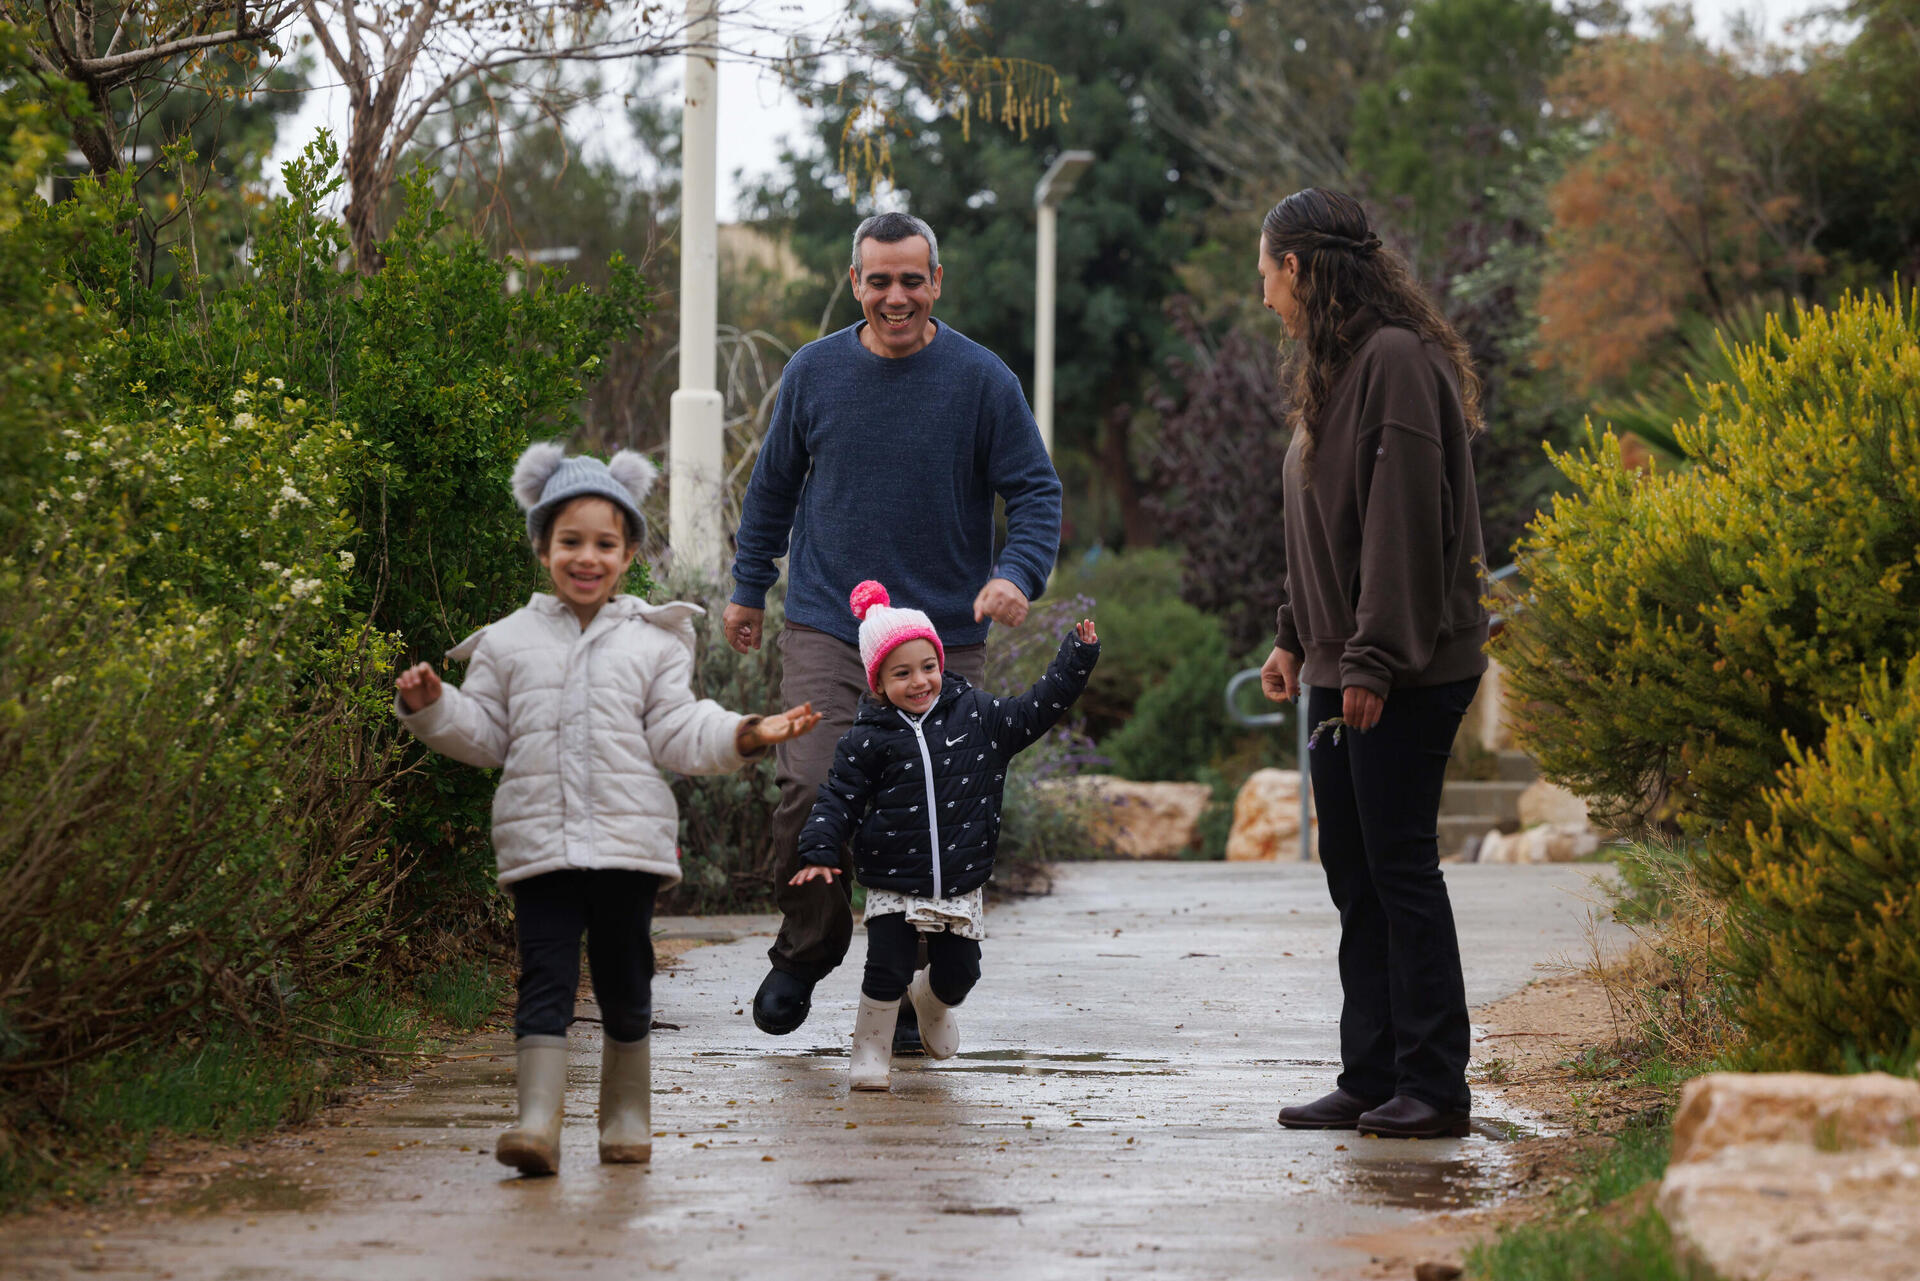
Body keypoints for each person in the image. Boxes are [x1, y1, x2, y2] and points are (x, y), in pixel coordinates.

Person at [394, 442, 821, 1176]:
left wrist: (748, 732)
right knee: (545, 978)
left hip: (627, 848)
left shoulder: (650, 643)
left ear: (627, 554)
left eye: (604, 543)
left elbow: (680, 731)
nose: (586, 557)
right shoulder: (507, 641)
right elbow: (488, 735)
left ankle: (626, 1115)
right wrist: (434, 708)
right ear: (541, 547)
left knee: (626, 980)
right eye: (569, 542)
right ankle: (536, 1121)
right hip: (540, 848)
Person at [722, 211, 1064, 1041]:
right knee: (808, 785)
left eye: (912, 279)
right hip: (829, 627)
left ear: (936, 282)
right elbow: (771, 490)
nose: (896, 295)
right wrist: (747, 587)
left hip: (944, 640)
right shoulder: (814, 373)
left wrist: (1015, 574)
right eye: (879, 280)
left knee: (935, 811)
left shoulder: (983, 381)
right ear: (855, 284)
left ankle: (905, 990)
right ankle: (808, 949)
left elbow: (1036, 494)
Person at [1255, 189, 1491, 1140]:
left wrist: (1373, 660)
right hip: (1338, 659)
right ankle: (1375, 1070)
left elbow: (1400, 525)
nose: (1262, 289)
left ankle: (1434, 1085)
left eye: (1265, 268)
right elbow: (1325, 522)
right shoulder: (1339, 365)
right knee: (1354, 870)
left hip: (1405, 665)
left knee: (1398, 868)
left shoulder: (1394, 360)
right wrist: (1290, 634)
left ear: (1300, 268)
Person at [789, 581, 1098, 1090]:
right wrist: (819, 847)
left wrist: (1076, 659)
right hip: (894, 879)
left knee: (959, 975)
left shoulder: (975, 714)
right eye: (902, 673)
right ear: (877, 683)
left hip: (959, 879)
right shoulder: (866, 740)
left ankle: (930, 1002)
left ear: (941, 663)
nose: (919, 682)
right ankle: (870, 1048)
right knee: (885, 970)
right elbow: (837, 798)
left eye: (927, 667)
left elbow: (1036, 710)